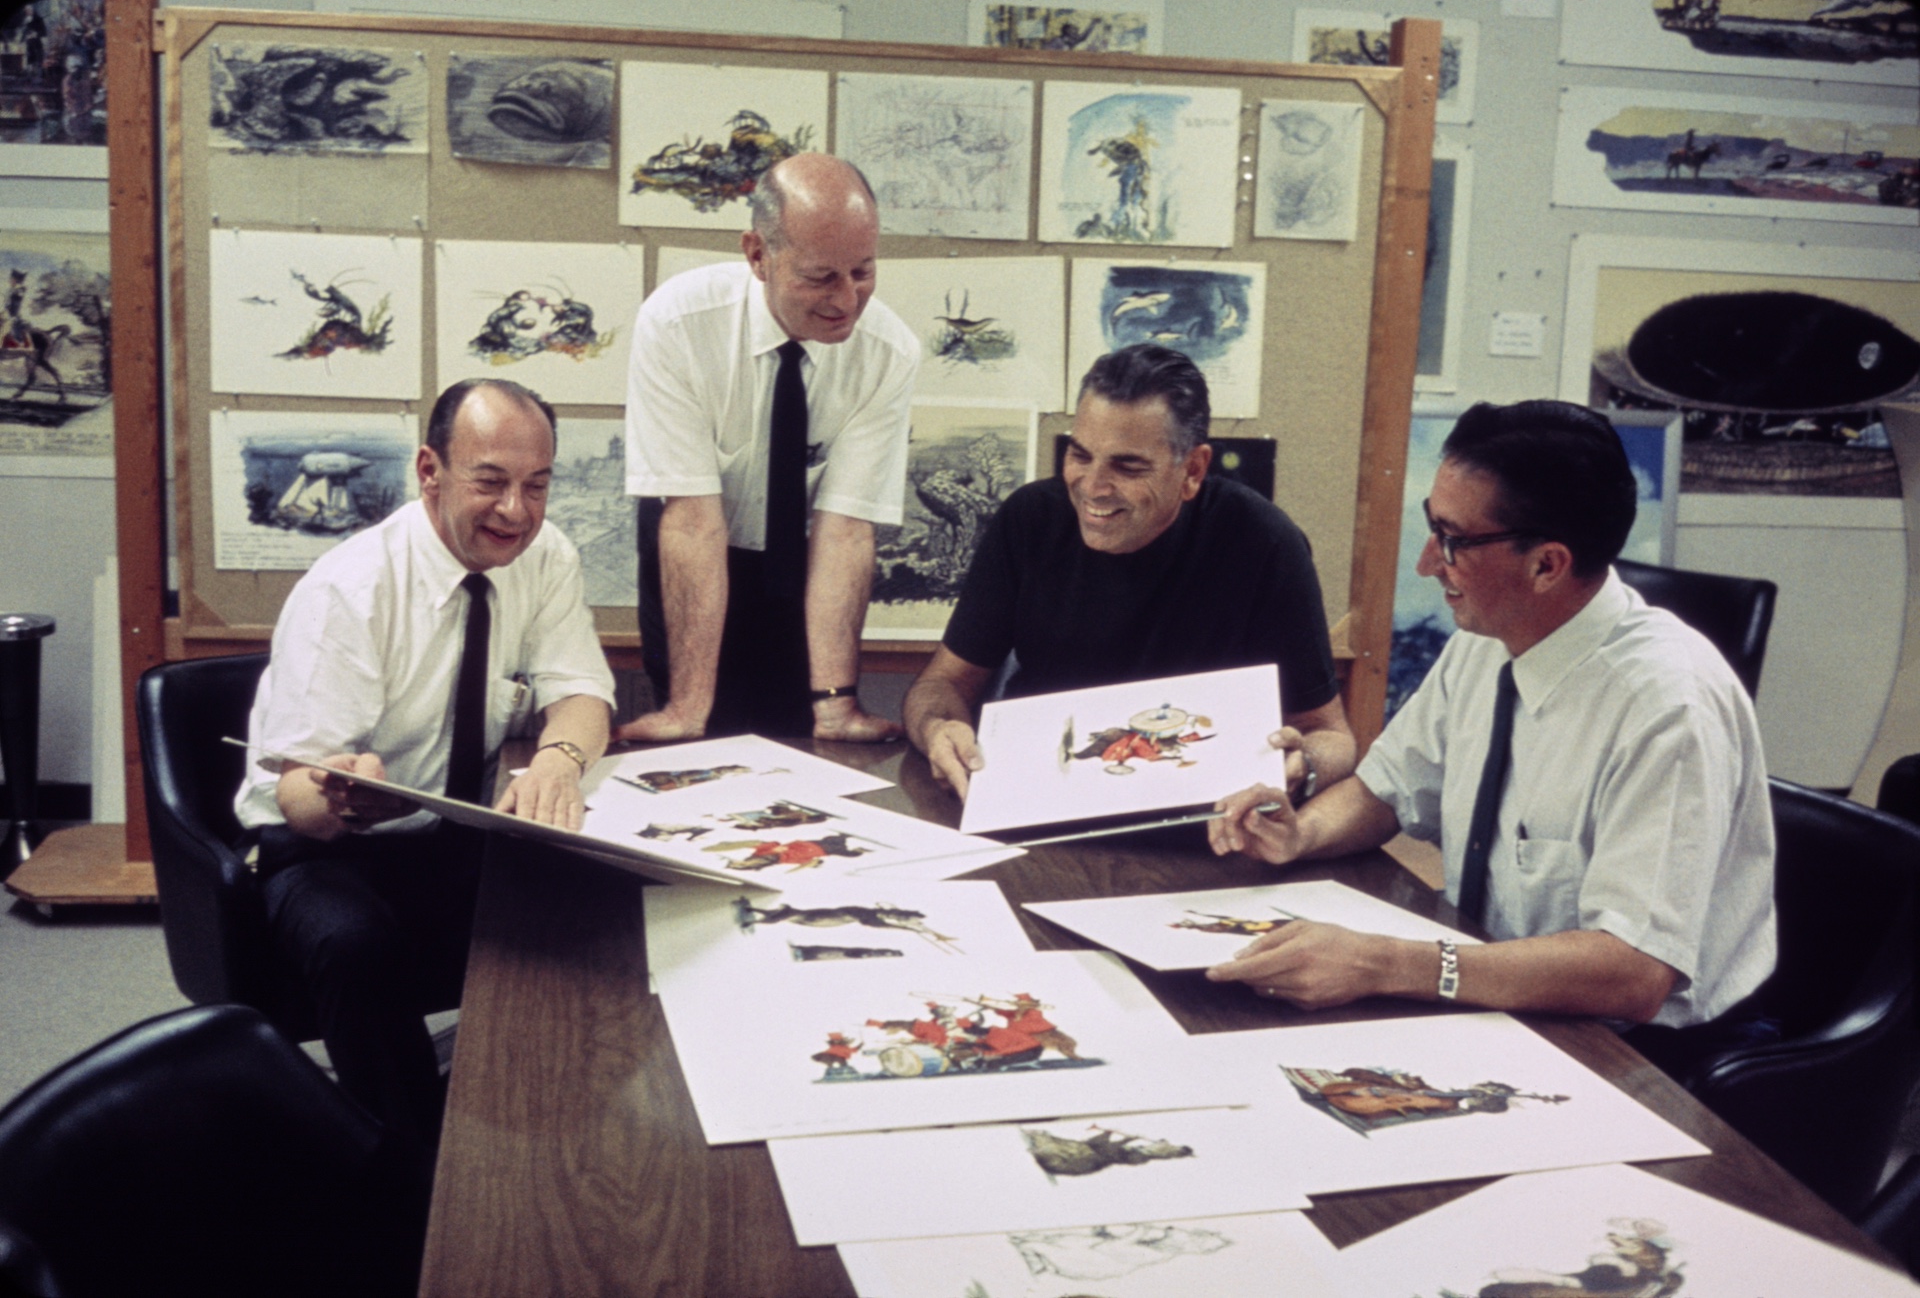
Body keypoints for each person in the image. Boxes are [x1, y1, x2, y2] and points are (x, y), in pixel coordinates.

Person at [1206, 400, 1775, 1065]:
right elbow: (1388, 788)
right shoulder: (1492, 636)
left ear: (1547, 565)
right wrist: (1298, 832)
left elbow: (1633, 972)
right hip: (1498, 994)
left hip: (1649, 1054)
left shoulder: (1671, 707)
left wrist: (1381, 963)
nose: (1426, 563)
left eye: (1452, 539)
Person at [235, 378, 615, 1158]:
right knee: (356, 945)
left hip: (448, 827)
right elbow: (295, 795)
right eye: (491, 482)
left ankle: (544, 1128)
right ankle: (411, 1166)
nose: (518, 510)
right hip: (322, 848)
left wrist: (556, 761)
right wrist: (341, 795)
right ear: (429, 470)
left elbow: (582, 692)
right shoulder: (351, 587)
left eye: (537, 485)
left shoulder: (545, 557)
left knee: (594, 894)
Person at [904, 343, 1355, 804]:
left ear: (1193, 470)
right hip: (1045, 799)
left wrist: (1306, 767)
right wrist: (940, 729)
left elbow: (1330, 736)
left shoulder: (1263, 541)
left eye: (1128, 466)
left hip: (1200, 816)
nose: (1093, 488)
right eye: (1080, 456)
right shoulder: (1029, 520)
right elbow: (942, 685)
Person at [620, 152, 917, 743]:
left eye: (863, 271)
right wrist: (687, 709)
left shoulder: (889, 351)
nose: (846, 299)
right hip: (698, 544)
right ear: (758, 255)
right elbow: (691, 524)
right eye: (819, 276)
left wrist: (835, 704)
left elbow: (847, 531)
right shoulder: (678, 324)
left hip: (803, 563)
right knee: (699, 744)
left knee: (805, 747)